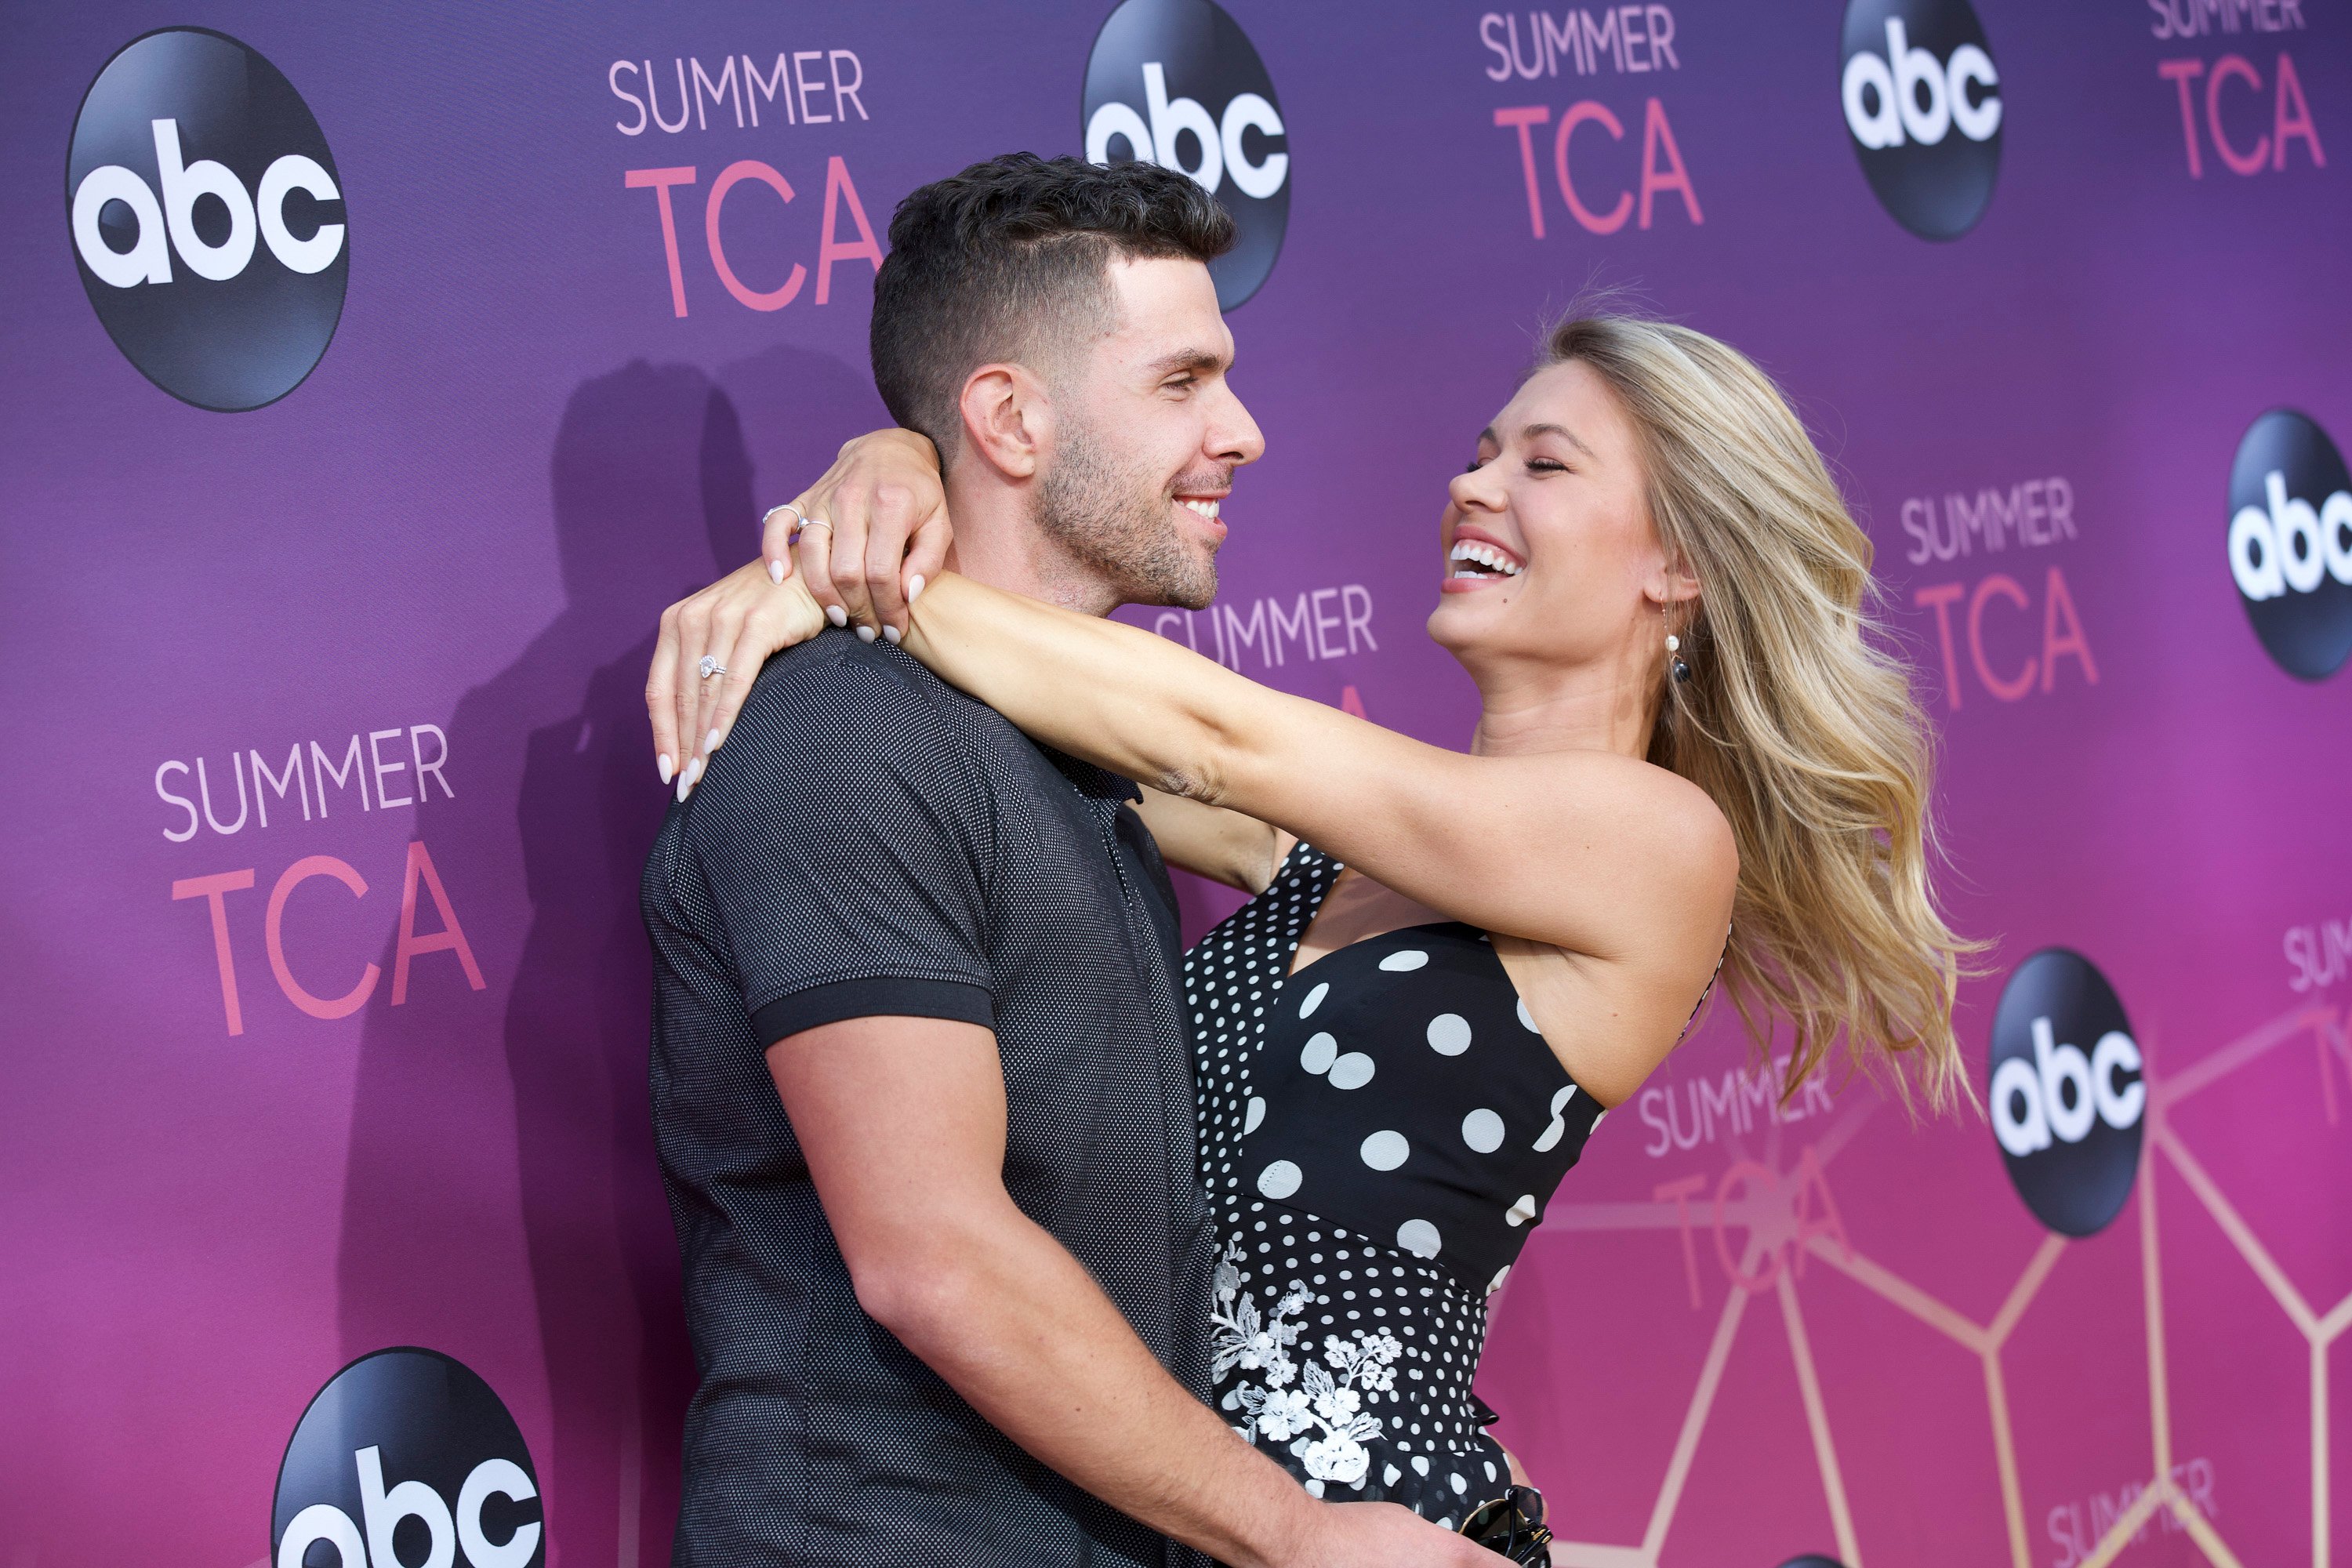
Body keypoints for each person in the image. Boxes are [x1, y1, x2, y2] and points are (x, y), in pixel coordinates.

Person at [652, 307, 1979, 1541]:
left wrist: (850, 582)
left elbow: (1208, 734)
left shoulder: (1658, 846)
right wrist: (883, 468)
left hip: (1355, 1522)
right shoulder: (1315, 852)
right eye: (1480, 452)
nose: (1475, 485)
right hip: (1172, 1505)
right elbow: (1016, 744)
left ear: (1679, 562)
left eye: (1547, 466)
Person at [641, 152, 1492, 1568]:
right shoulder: (849, 740)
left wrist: (891, 465)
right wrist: (1296, 1537)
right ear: (1011, 419)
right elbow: (936, 1257)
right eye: (1181, 382)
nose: (1244, 430)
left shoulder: (1074, 743)